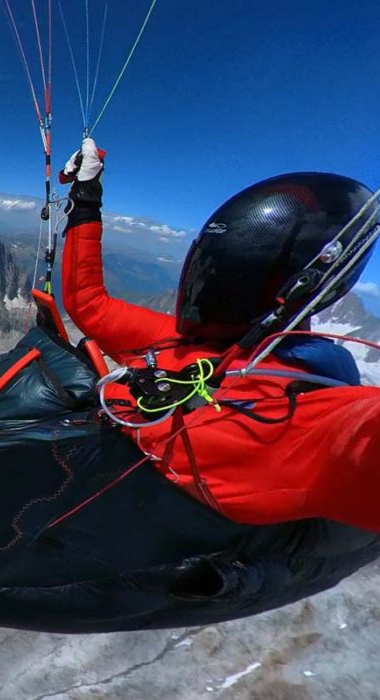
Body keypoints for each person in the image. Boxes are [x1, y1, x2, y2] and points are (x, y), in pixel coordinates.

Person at [59, 137, 380, 533]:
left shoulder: (311, 418)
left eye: (223, 274)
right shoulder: (184, 340)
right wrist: (86, 199)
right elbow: (89, 303)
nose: (206, 285)